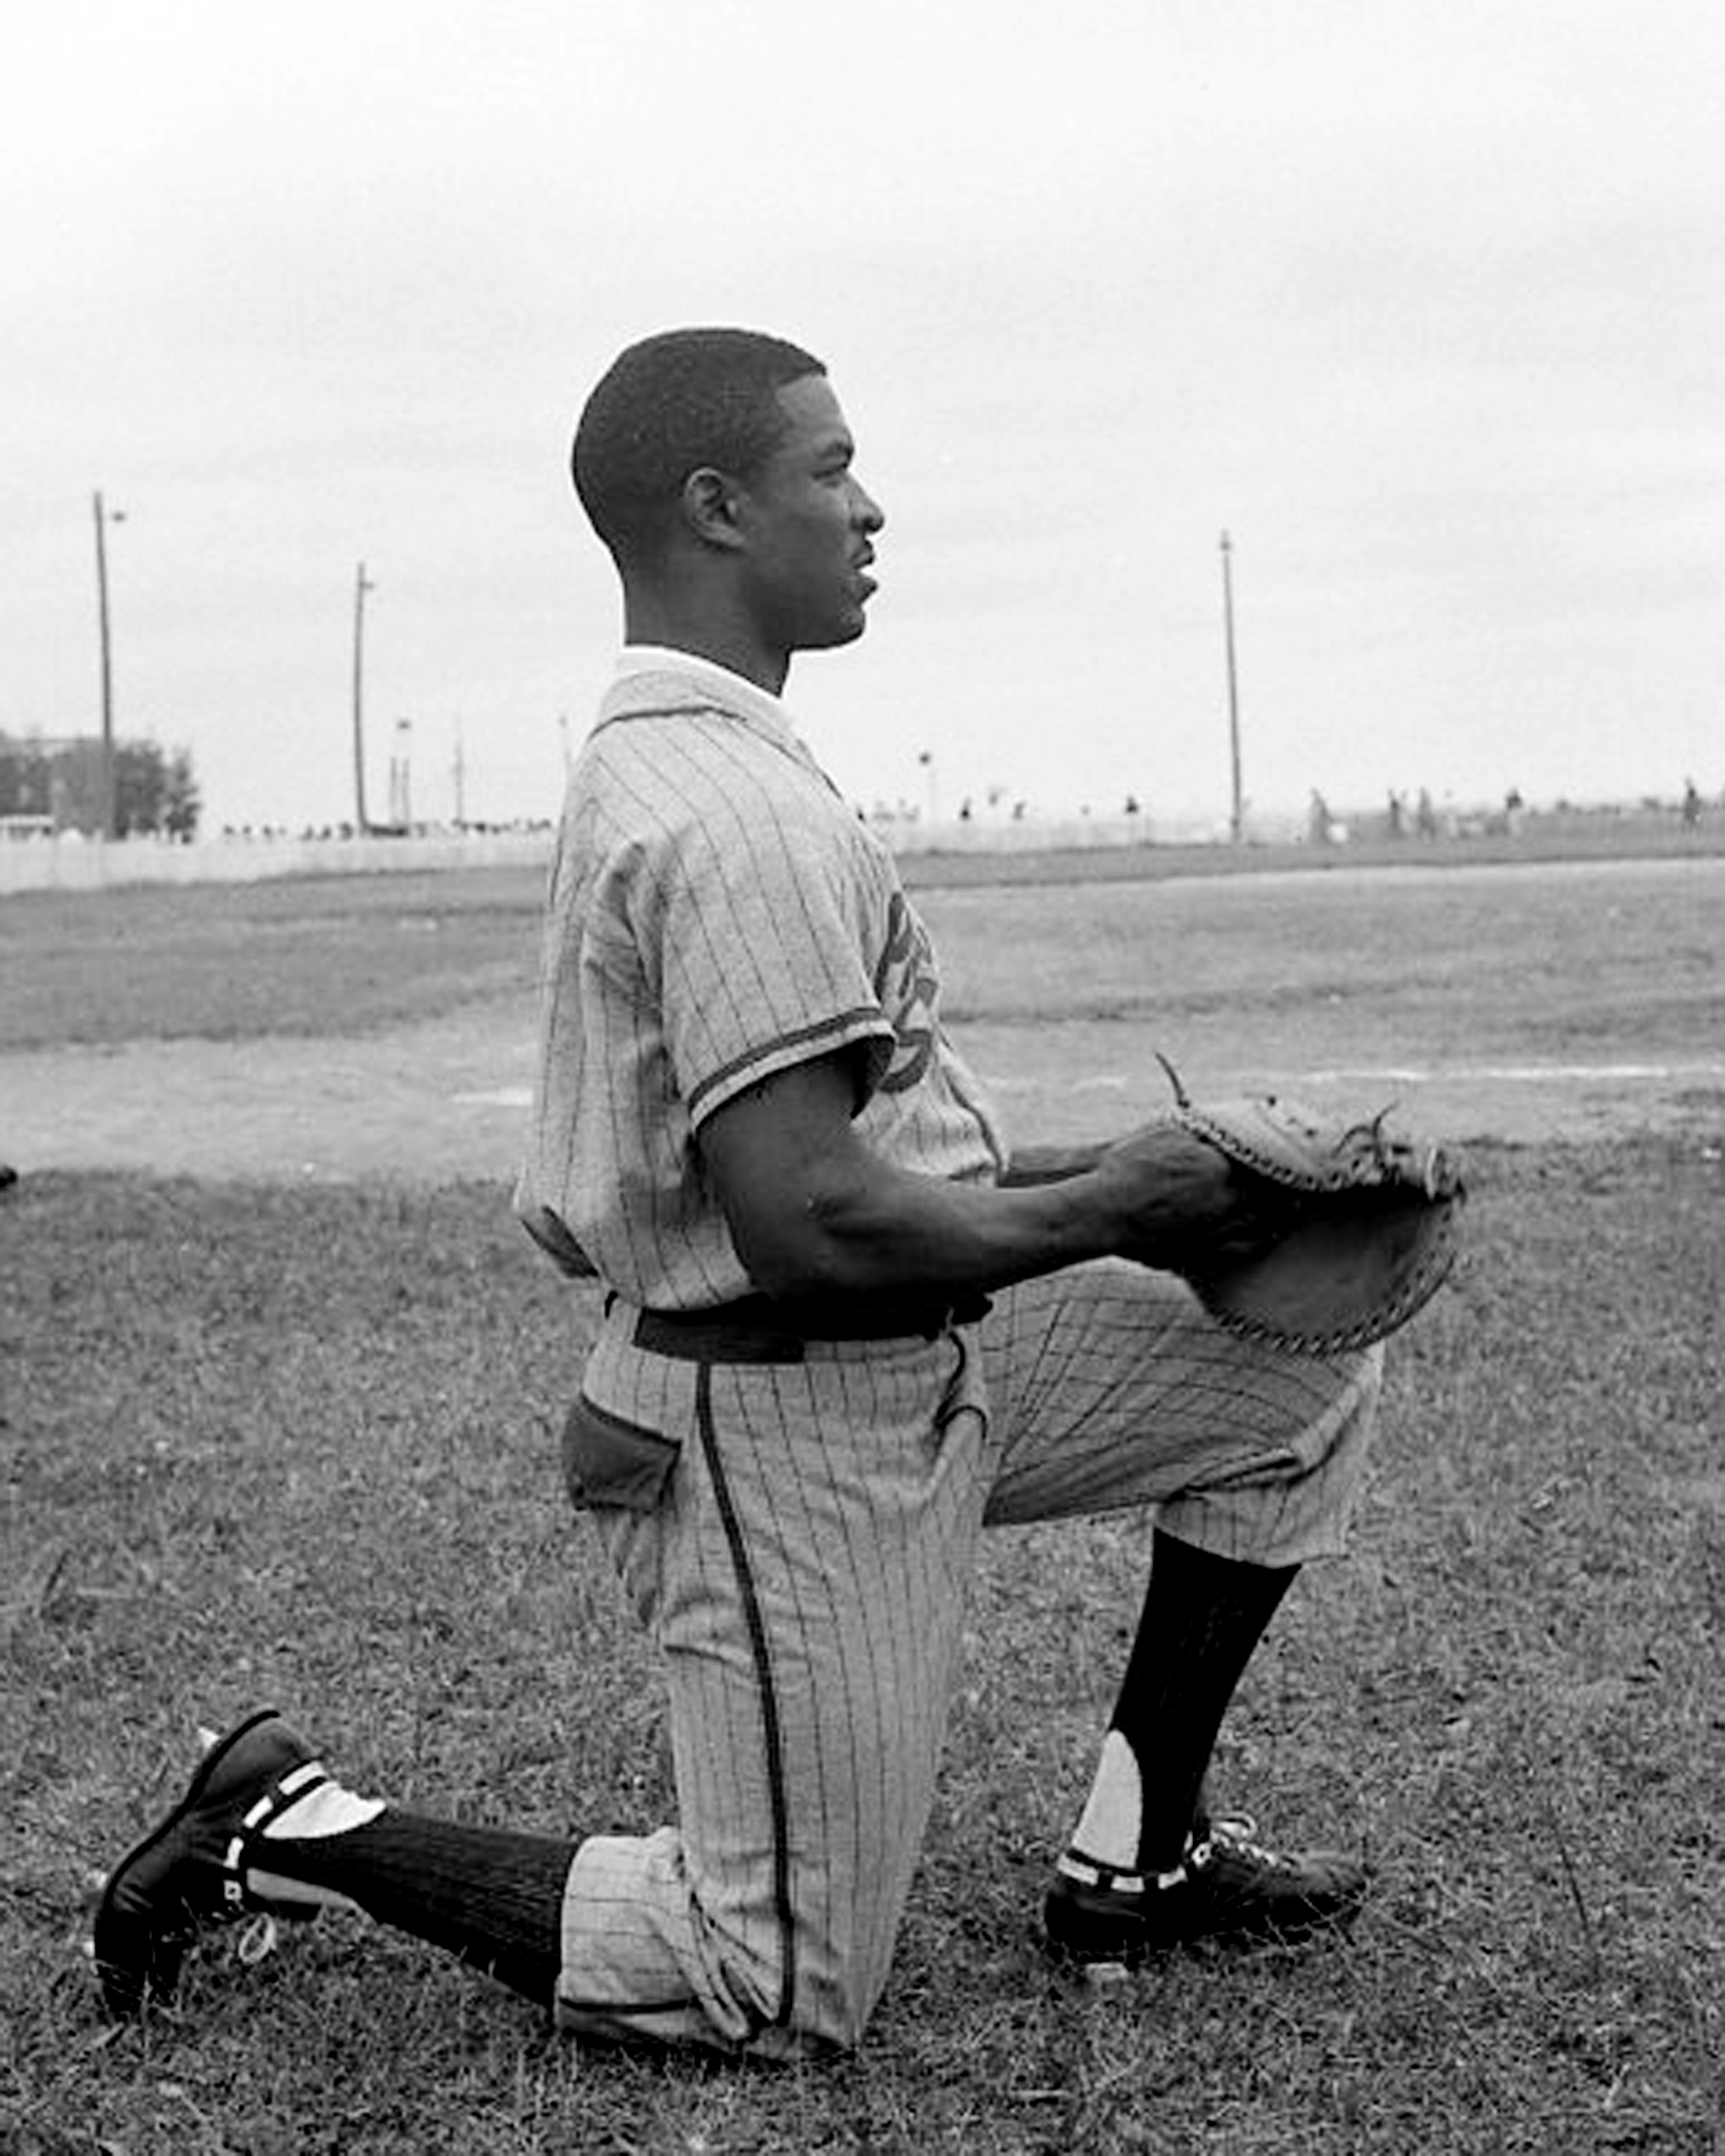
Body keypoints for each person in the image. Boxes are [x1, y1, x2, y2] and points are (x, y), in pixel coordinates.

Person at [94, 328, 1382, 2060]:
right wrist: (1124, 1209)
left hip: (906, 1354)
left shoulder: (724, 757)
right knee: (769, 1981)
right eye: (832, 469)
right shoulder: (724, 807)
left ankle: (1138, 1853)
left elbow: (885, 1166)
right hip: (779, 1417)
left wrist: (1154, 1182)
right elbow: (814, 1224)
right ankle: (287, 1823)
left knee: (1291, 1369)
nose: (870, 507)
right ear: (715, 507)